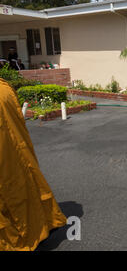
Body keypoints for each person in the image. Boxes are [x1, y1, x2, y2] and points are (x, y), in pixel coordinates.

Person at [0, 78, 67, 250]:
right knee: (26, 190)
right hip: (18, 154)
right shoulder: (4, 88)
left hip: (9, 158)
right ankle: (39, 228)